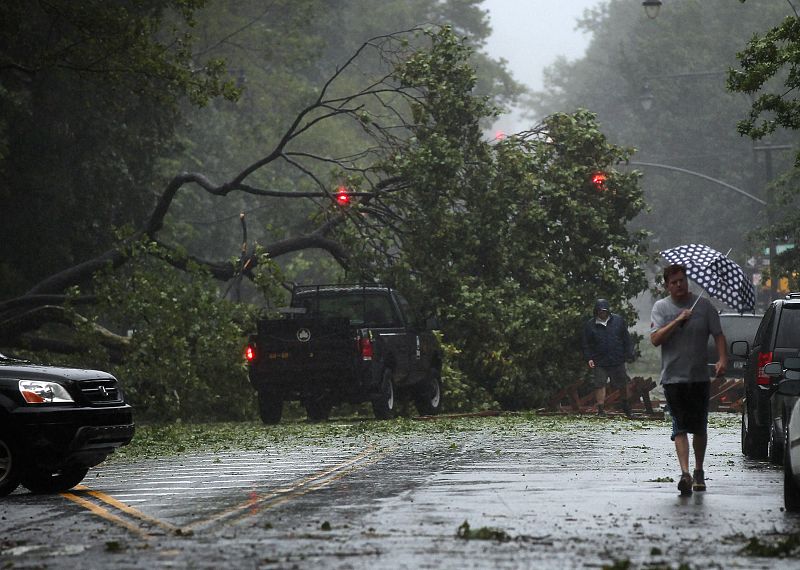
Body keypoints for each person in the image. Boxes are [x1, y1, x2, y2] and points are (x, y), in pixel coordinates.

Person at [650, 263, 727, 496]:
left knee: (700, 427)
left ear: (688, 281)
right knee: (680, 426)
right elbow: (655, 339)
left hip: (699, 377)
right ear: (667, 286)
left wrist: (723, 358)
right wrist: (677, 320)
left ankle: (699, 470)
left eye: (682, 280)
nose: (679, 285)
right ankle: (684, 473)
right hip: (673, 378)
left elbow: (719, 335)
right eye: (673, 282)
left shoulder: (704, 307)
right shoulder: (661, 307)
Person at [581, 299, 635, 417]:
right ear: (596, 312)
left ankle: (626, 406)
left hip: (617, 358)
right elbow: (586, 344)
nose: (602, 313)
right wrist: (589, 358)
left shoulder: (618, 321)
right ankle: (600, 409)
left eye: (604, 311)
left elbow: (626, 338)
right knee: (599, 384)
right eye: (600, 311)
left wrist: (629, 353)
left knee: (622, 383)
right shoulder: (590, 325)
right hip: (599, 360)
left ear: (608, 311)